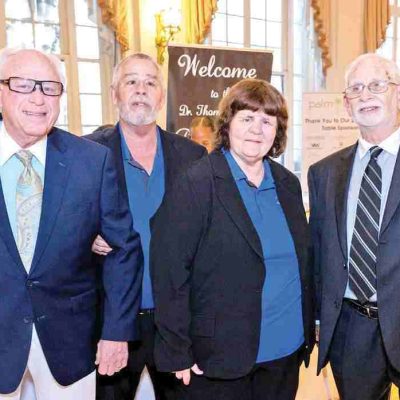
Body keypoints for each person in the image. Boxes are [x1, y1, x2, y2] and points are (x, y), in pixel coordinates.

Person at [150, 78, 315, 400]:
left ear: (278, 131)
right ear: (228, 124)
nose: (257, 129)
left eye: (267, 121)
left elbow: (303, 262)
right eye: (247, 118)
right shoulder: (196, 184)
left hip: (284, 351)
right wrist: (177, 349)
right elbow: (169, 272)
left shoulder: (287, 184)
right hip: (218, 356)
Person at [0, 48, 143, 400]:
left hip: (70, 342)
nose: (38, 98)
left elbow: (125, 249)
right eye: (23, 85)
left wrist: (116, 332)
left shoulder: (91, 161)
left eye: (49, 87)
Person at [86, 52, 206, 400]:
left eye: (150, 82)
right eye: (131, 81)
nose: (141, 90)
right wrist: (85, 235)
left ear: (161, 96)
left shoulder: (192, 157)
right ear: (114, 94)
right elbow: (61, 224)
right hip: (111, 322)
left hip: (177, 322)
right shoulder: (87, 153)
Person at [308, 53, 400, 400]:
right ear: (346, 105)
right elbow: (317, 254)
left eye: (377, 86)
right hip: (353, 327)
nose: (366, 96)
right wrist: (317, 319)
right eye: (356, 89)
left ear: (398, 94)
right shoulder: (324, 173)